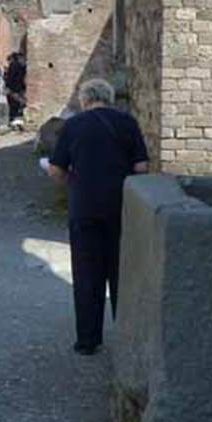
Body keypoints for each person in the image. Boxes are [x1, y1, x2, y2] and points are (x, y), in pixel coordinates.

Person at [43, 78, 149, 355]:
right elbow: (141, 166)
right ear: (109, 97)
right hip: (121, 207)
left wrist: (74, 182)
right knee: (121, 273)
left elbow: (55, 170)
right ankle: (126, 338)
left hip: (84, 207)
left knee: (87, 273)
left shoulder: (73, 125)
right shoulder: (128, 123)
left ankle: (88, 341)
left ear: (85, 99)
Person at [4, 52, 27, 120]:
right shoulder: (22, 66)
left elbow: (11, 77)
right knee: (17, 103)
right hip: (19, 87)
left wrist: (7, 86)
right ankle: (16, 116)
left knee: (12, 103)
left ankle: (12, 117)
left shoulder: (13, 65)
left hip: (13, 88)